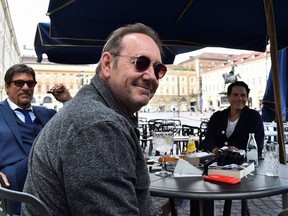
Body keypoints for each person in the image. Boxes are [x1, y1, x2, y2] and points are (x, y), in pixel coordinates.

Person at [22, 23, 168, 215]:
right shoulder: (99, 125)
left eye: (158, 69)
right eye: (141, 62)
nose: (151, 76)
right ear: (107, 64)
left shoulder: (95, 111)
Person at [0, 64, 71, 214]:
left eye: (30, 83)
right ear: (7, 87)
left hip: (52, 178)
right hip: (14, 177)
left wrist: (67, 101)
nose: (26, 87)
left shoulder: (48, 114)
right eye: (19, 83)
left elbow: (74, 129)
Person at [203, 81, 264, 156]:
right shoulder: (217, 117)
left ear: (247, 98)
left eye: (243, 95)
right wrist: (217, 151)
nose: (239, 98)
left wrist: (239, 153)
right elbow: (207, 141)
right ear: (228, 97)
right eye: (235, 95)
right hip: (217, 163)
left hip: (244, 164)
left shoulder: (254, 117)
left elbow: (258, 147)